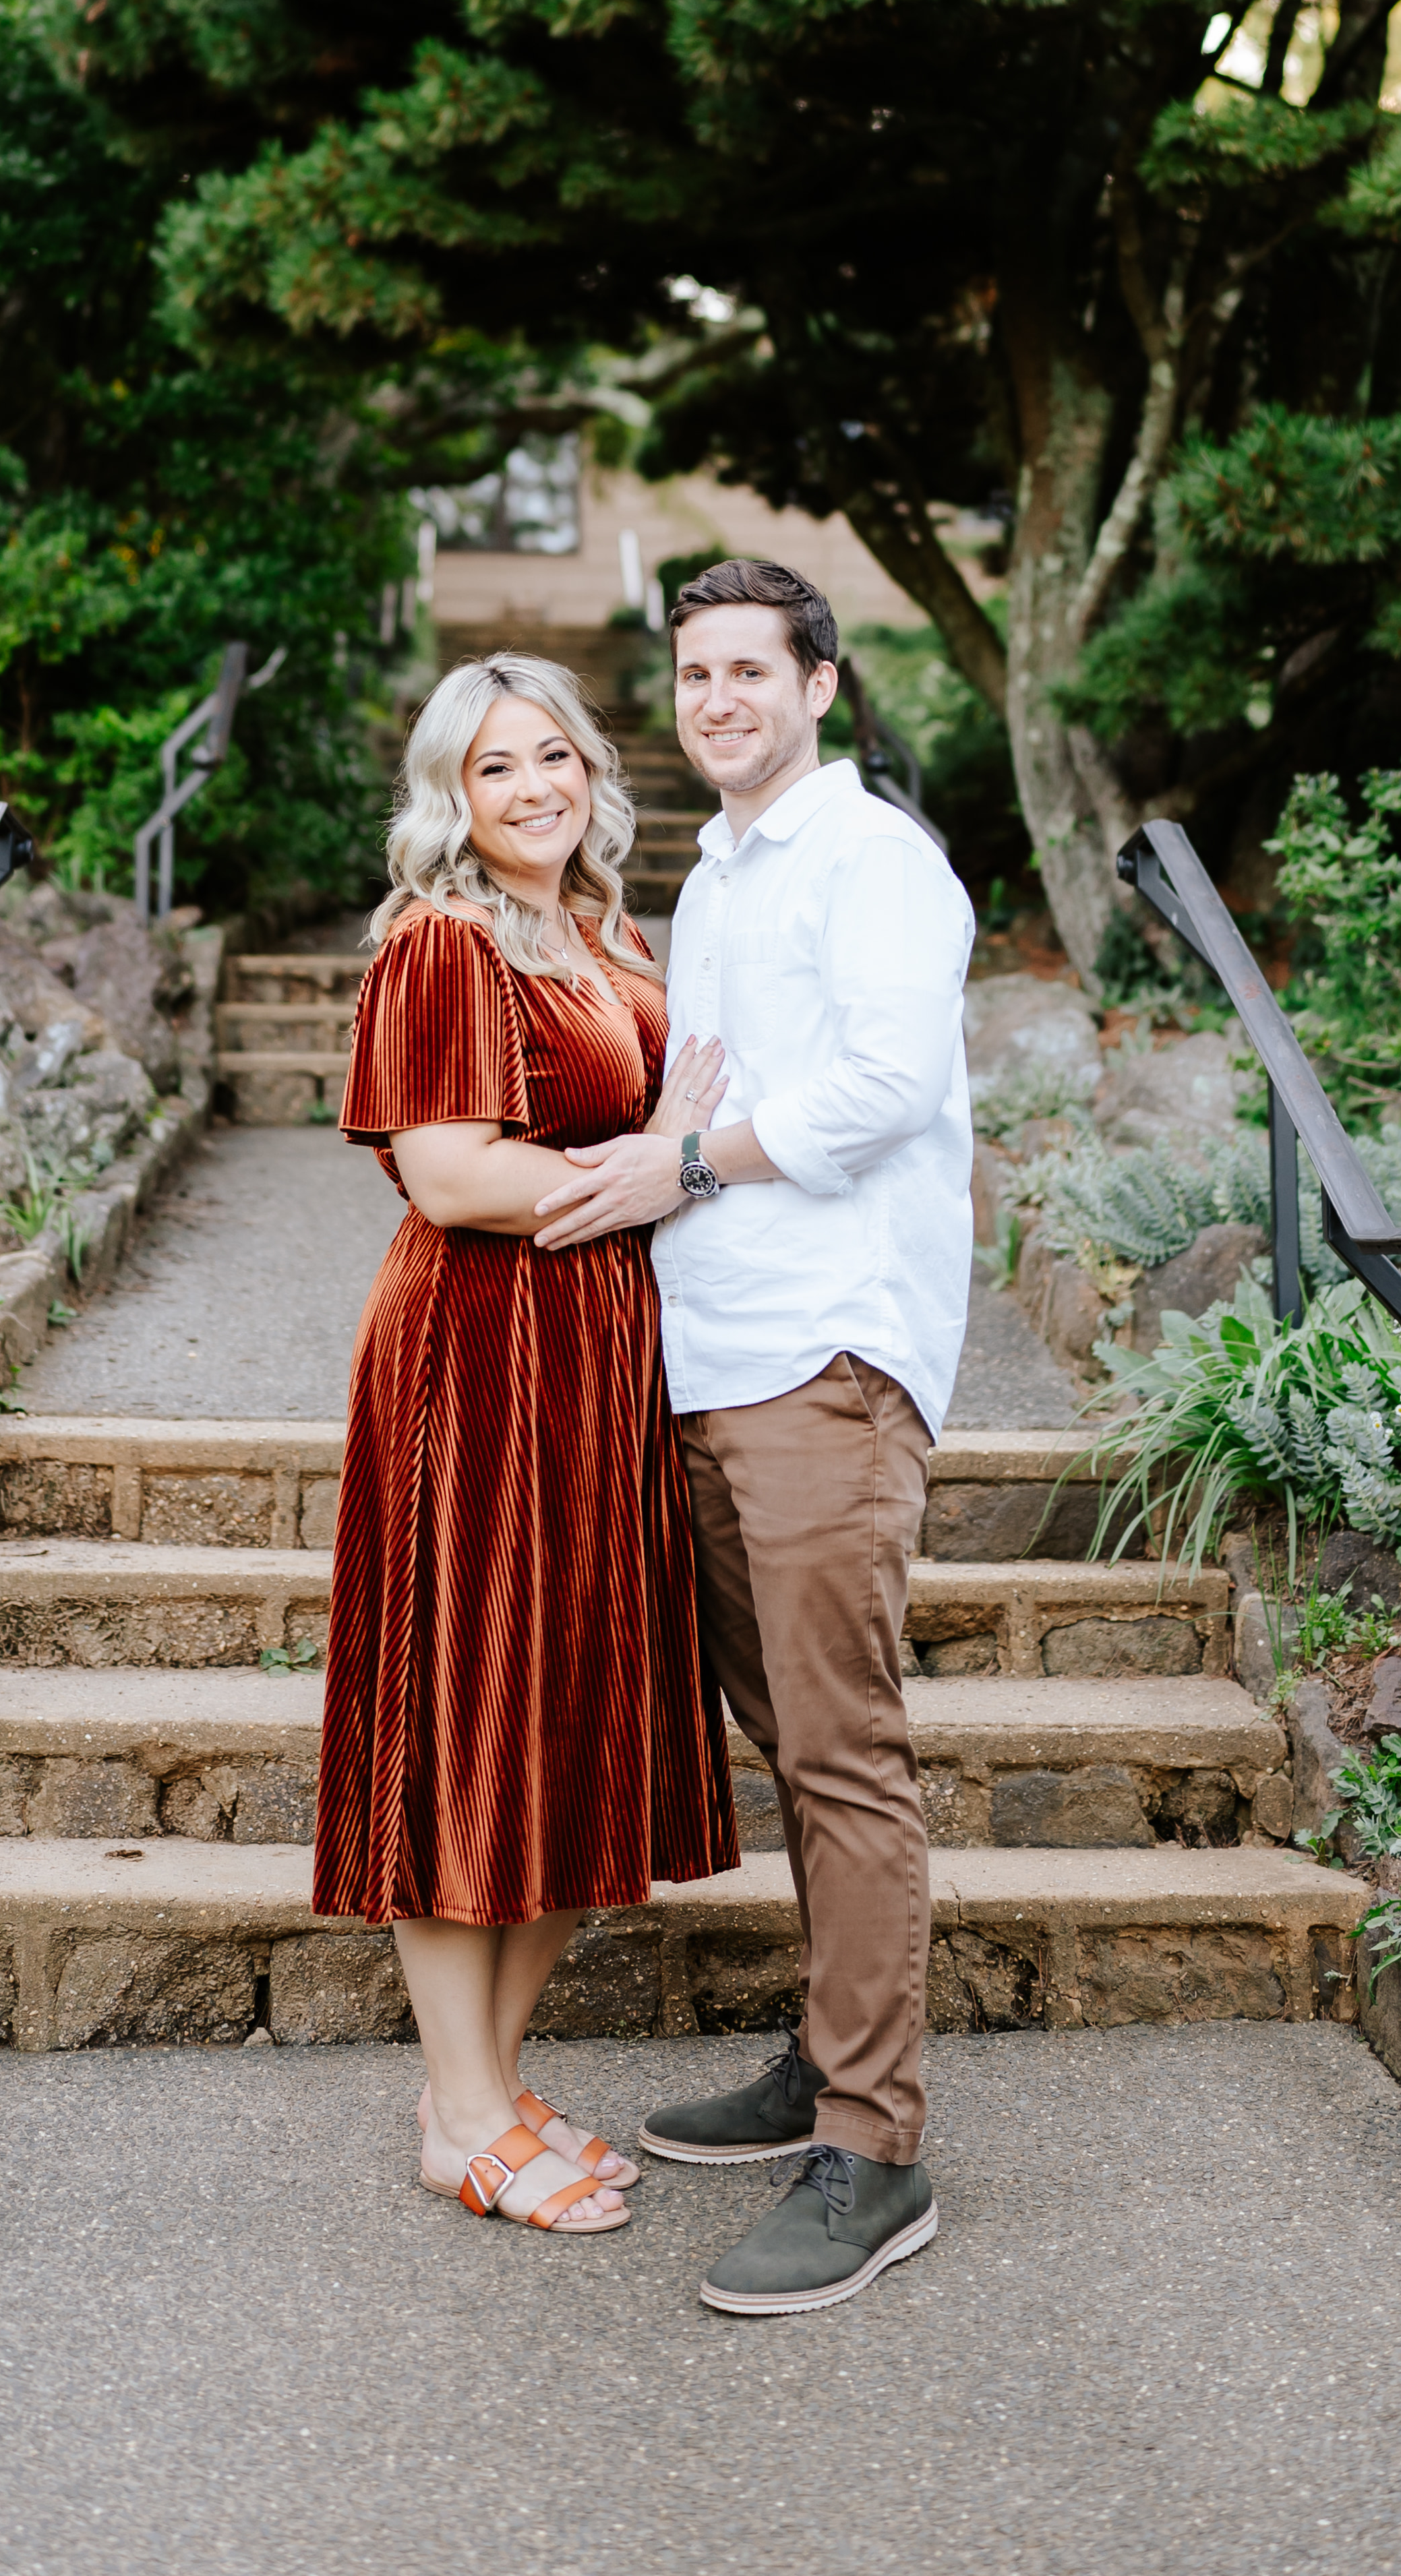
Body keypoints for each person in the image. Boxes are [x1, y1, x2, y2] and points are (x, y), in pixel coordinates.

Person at [528, 557, 976, 2317]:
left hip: (824, 1361)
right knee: (787, 1744)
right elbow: (697, 1099)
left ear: (821, 683)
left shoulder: (874, 862)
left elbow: (885, 1089)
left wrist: (685, 1163)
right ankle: (824, 2046)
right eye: (694, 670)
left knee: (844, 1755)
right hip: (707, 1356)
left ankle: (873, 2146)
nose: (717, 697)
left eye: (748, 671)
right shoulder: (719, 869)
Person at [314, 649, 739, 2238]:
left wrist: (670, 1161)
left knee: (575, 1720)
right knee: (462, 1711)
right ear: (453, 793)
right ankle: (475, 2121)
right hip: (476, 1351)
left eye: (553, 755)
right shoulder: (441, 942)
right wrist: (662, 1162)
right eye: (497, 768)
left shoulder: (604, 929)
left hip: (602, 1354)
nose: (535, 788)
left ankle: (468, 2085)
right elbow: (452, 1179)